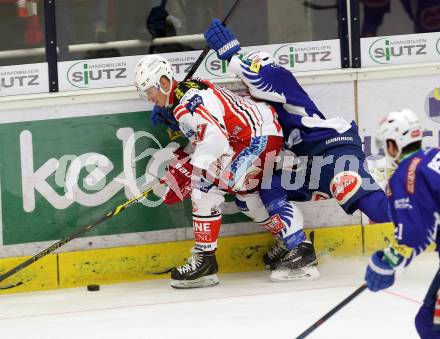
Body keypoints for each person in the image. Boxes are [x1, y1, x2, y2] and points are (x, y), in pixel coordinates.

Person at [203, 19, 391, 280]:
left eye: (243, 77)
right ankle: (295, 244)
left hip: (334, 150)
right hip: (313, 164)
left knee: (376, 208)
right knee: (268, 184)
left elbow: (257, 74)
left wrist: (232, 53)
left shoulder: (277, 78)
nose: (243, 84)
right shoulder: (262, 104)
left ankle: (427, 210)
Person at [134, 54, 287, 288]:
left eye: (150, 92)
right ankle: (293, 242)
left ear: (164, 83)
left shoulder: (186, 103)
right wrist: (184, 161)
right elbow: (207, 137)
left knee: (203, 187)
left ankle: (205, 262)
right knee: (246, 198)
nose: (150, 99)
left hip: (258, 138)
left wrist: (190, 172)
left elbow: (215, 141)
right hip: (254, 136)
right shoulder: (185, 95)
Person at [364, 109, 440, 339]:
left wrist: (386, 261)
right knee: (429, 322)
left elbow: (414, 235)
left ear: (393, 143)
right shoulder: (434, 156)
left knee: (431, 325)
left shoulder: (407, 173)